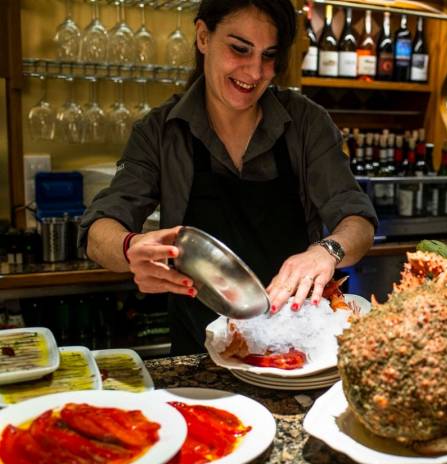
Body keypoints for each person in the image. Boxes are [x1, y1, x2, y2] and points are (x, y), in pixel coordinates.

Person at [80, 0, 377, 354]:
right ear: (203, 36)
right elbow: (99, 230)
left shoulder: (306, 123)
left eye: (269, 56)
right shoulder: (160, 132)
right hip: (199, 353)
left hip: (297, 350)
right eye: (239, 49)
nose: (254, 72)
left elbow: (358, 222)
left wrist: (326, 250)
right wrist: (131, 249)